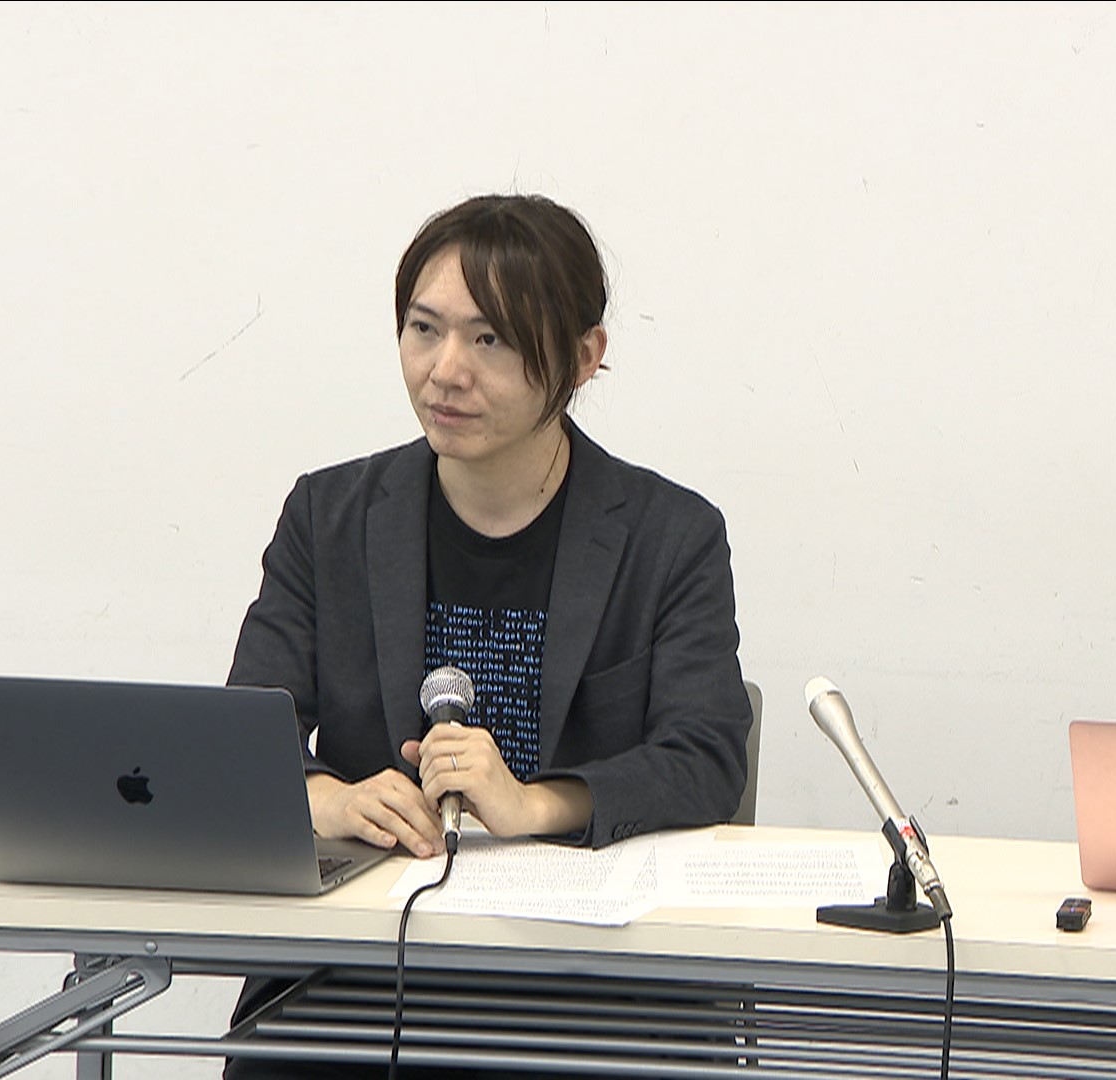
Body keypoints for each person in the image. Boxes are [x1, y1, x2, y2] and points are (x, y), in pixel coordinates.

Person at [222, 193, 752, 1077]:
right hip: (361, 971)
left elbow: (705, 757)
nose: (446, 371)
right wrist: (330, 801)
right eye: (424, 330)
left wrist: (534, 804)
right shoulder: (329, 515)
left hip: (591, 981)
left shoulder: (668, 535)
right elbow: (242, 738)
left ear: (584, 357)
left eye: (491, 339)